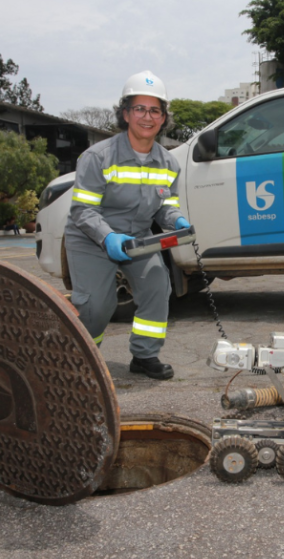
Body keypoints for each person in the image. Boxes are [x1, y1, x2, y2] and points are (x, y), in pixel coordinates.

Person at [64, 70, 190, 380]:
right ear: (125, 114)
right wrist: (107, 237)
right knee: (96, 305)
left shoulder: (169, 163)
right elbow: (83, 210)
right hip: (91, 239)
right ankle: (82, 358)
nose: (147, 116)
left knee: (158, 287)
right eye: (139, 108)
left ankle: (144, 356)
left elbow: (164, 207)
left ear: (163, 118)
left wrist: (177, 220)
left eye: (155, 110)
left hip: (138, 238)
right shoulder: (98, 157)